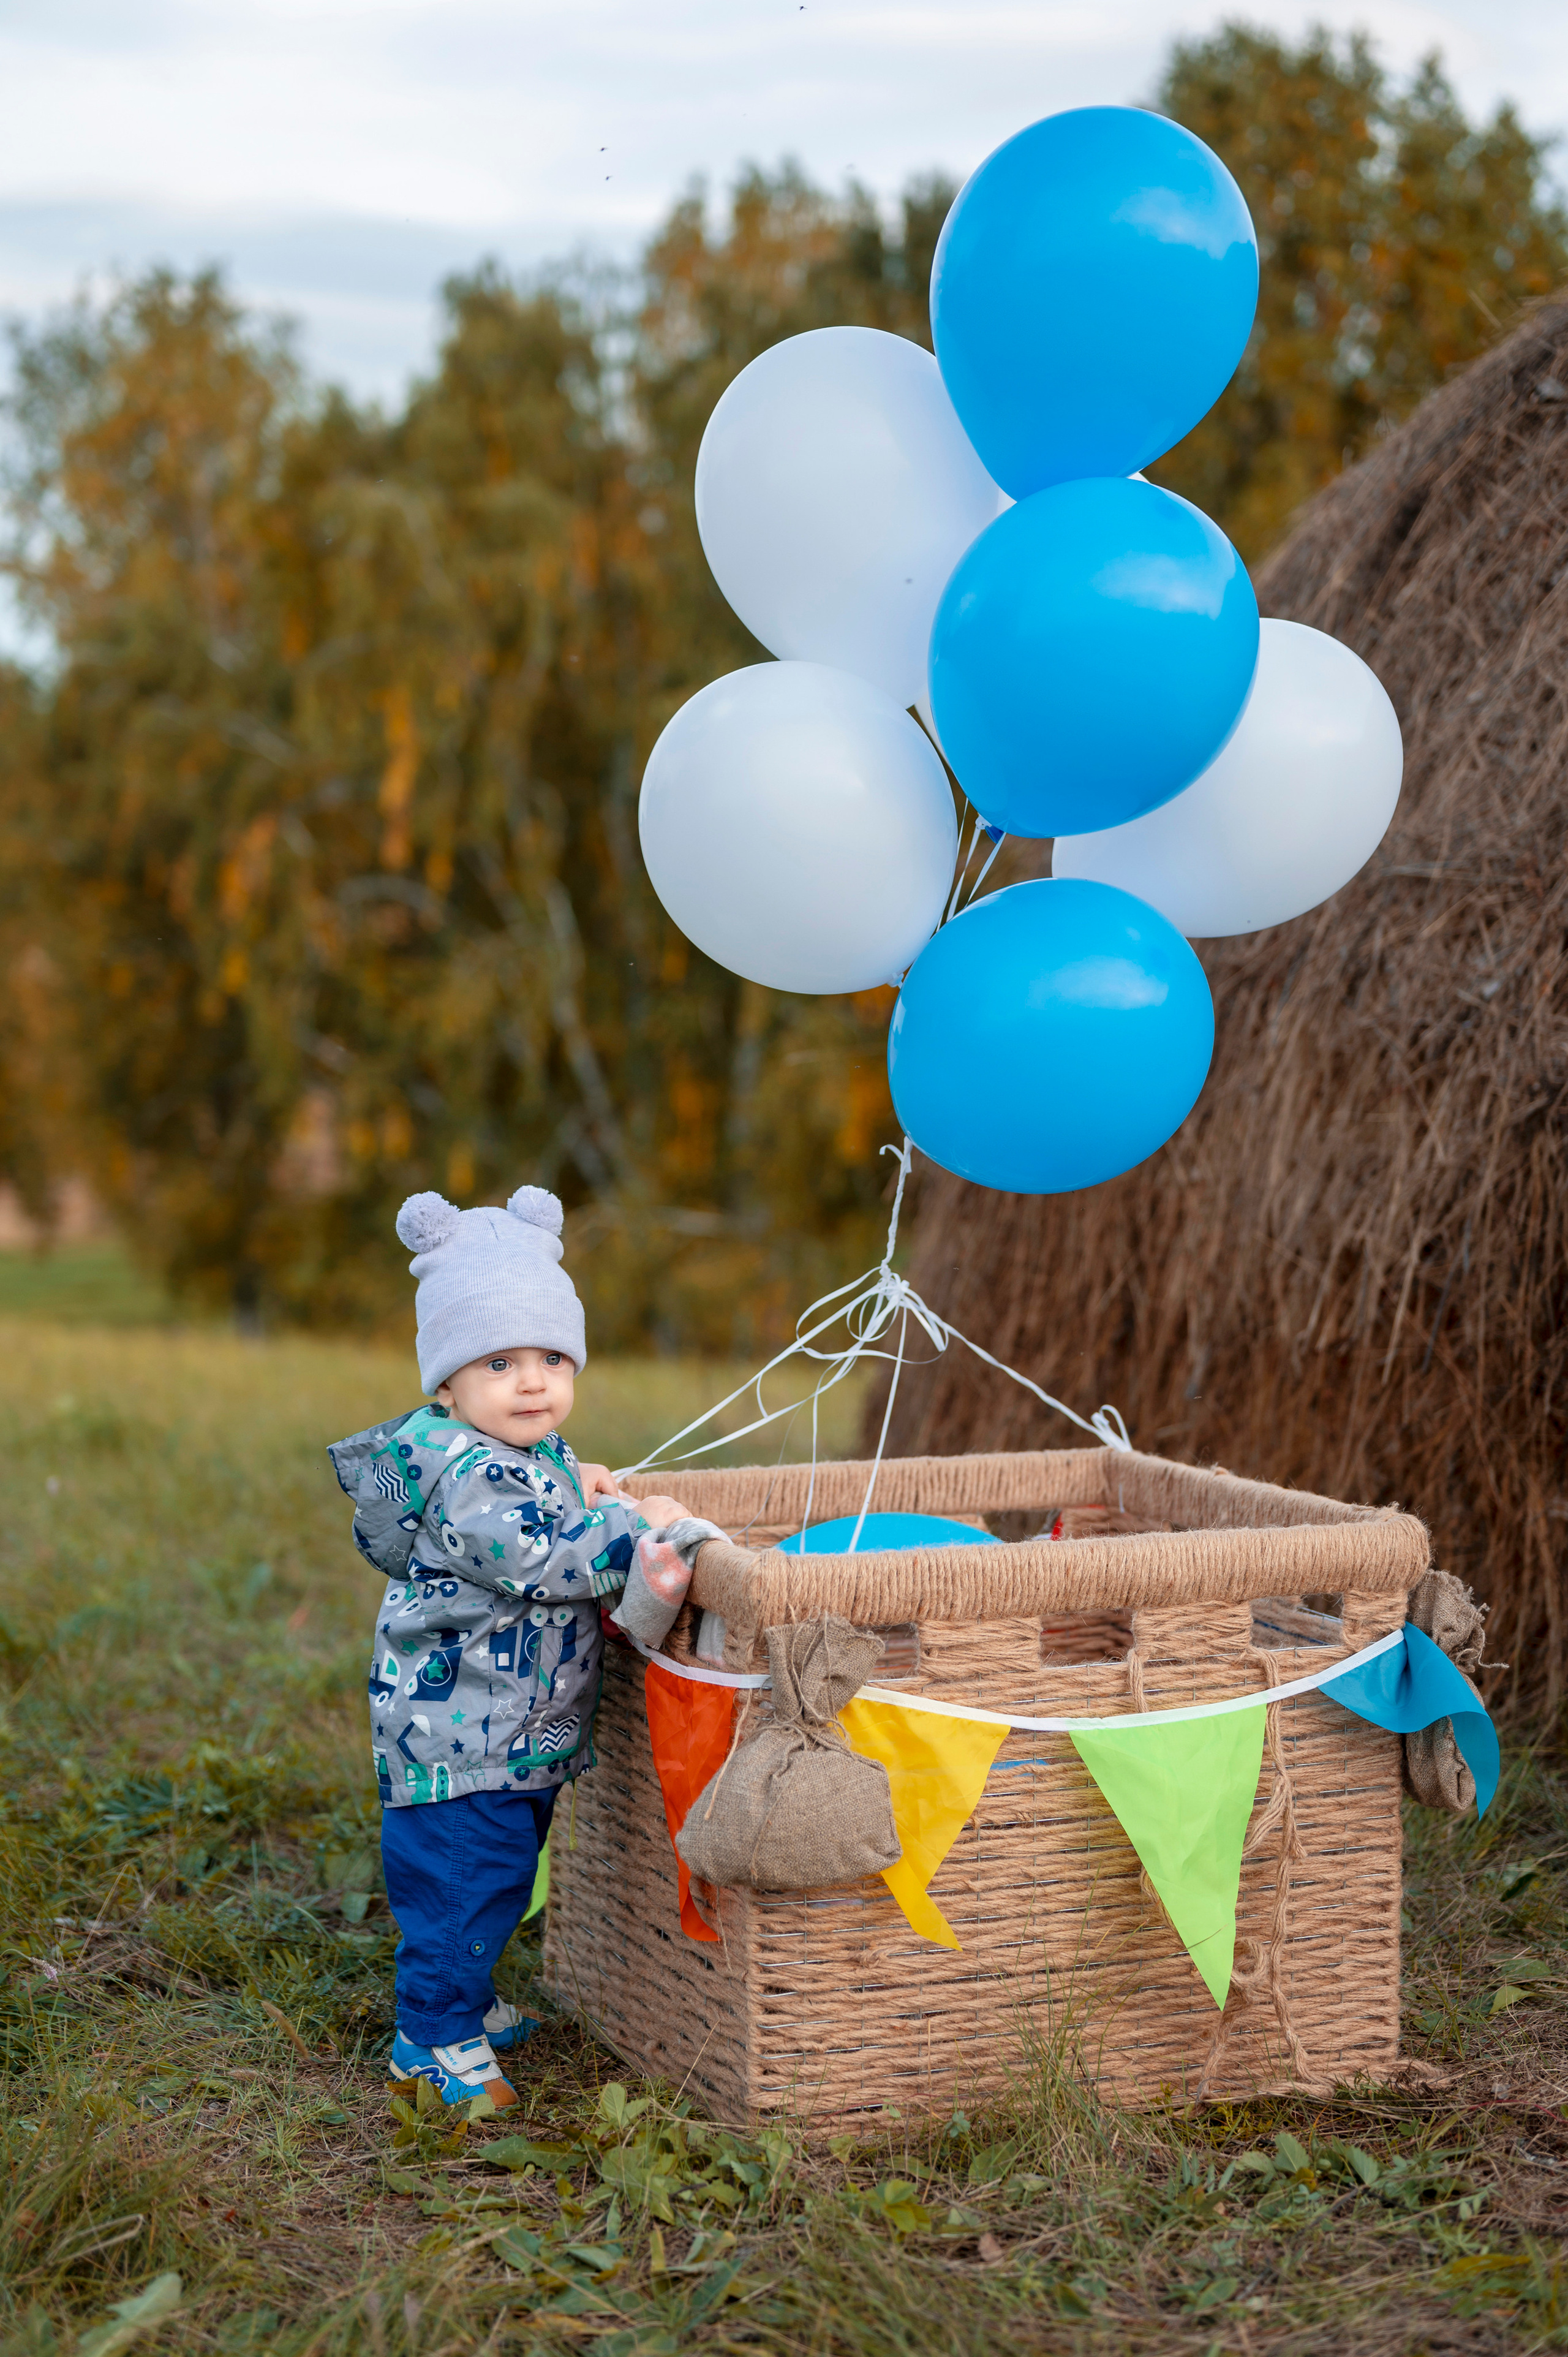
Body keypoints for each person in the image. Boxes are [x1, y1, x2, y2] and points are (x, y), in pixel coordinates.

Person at [328, 1183, 701, 2109]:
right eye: (499, 1361)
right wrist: (639, 1530)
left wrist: (586, 1484)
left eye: (550, 1357)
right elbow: (549, 1557)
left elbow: (546, 1501)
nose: (533, 1381)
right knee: (461, 1883)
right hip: (460, 1739)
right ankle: (432, 2039)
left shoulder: (514, 1454)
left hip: (505, 1730)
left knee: (495, 1878)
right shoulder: (470, 1477)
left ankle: (467, 1999)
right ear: (448, 1384)